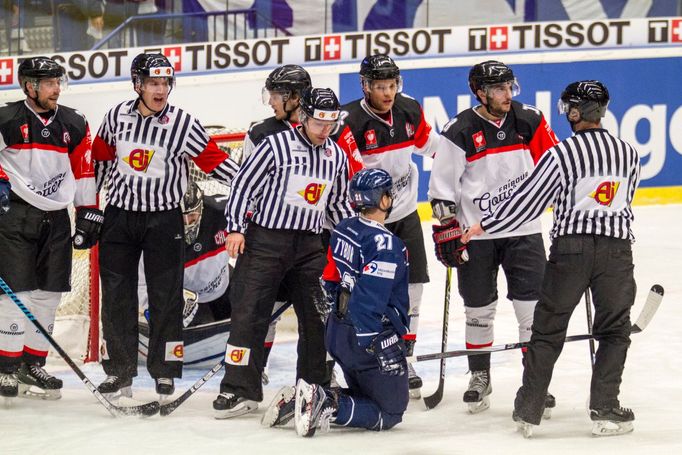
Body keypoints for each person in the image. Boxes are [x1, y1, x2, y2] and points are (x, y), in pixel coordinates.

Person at [463, 80, 640, 437]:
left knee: (547, 331)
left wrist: (485, 225)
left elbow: (528, 201)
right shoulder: (628, 152)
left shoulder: (562, 153)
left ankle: (529, 410)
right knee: (614, 331)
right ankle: (604, 408)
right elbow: (626, 199)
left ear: (574, 112)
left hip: (571, 251)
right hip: (616, 253)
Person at [91, 53, 239, 401]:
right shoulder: (115, 117)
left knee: (166, 298)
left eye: (165, 83)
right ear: (138, 84)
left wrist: (253, 189)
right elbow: (98, 163)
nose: (161, 90)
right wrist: (87, 207)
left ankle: (165, 373)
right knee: (117, 297)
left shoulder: (183, 123)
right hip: (119, 218)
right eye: (153, 83)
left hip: (163, 220)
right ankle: (120, 373)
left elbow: (214, 162)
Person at [428, 60, 559, 414]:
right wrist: (446, 228)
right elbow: (441, 190)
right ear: (480, 93)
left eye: (509, 87)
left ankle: (535, 383)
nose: (507, 95)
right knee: (478, 310)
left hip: (524, 230)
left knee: (531, 311)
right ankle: (479, 376)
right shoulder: (459, 129)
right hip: (477, 236)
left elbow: (555, 168)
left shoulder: (529, 119)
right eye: (499, 89)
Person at [215, 87, 354, 419]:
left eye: (331, 123)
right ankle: (238, 388)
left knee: (319, 317)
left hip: (309, 246)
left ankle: (312, 387)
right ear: (304, 117)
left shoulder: (336, 156)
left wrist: (353, 240)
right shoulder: (275, 146)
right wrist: (236, 227)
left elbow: (337, 205)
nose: (325, 130)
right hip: (265, 243)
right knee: (249, 315)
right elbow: (243, 186)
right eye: (319, 122)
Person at [333, 54, 435, 397]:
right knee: (364, 292)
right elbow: (349, 171)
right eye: (380, 86)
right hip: (367, 223)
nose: (388, 92)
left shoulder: (409, 109)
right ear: (366, 86)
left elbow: (428, 145)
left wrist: (460, 157)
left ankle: (403, 357)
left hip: (405, 215)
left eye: (392, 85)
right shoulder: (350, 121)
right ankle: (352, 357)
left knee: (413, 289)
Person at [0, 57, 101, 400]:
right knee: (16, 294)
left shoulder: (74, 122)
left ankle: (33, 363)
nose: (57, 88)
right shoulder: (6, 118)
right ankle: (7, 368)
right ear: (29, 86)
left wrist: (88, 211)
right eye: (49, 83)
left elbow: (84, 169)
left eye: (59, 81)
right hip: (15, 215)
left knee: (48, 295)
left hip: (57, 218)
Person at [286, 168, 410, 437]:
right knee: (391, 411)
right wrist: (375, 344)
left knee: (365, 391)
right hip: (365, 339)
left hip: (338, 333)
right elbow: (368, 300)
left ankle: (306, 399)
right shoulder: (387, 245)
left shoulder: (343, 228)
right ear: (384, 200)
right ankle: (325, 402)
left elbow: (330, 276)